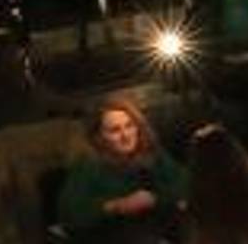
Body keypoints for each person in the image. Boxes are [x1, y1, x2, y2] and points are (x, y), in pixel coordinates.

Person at [54, 97, 182, 230]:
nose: (126, 135)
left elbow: (185, 184)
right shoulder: (88, 166)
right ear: (98, 137)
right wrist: (115, 206)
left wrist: (155, 199)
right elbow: (69, 215)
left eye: (129, 126)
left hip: (155, 230)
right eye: (115, 130)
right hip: (111, 236)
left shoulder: (152, 154)